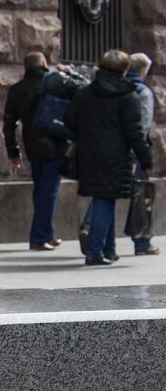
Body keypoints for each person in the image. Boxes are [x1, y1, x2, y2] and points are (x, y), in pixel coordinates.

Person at [65, 49, 153, 266]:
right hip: (115, 156)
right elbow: (135, 133)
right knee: (105, 199)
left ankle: (109, 248)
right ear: (124, 69)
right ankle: (95, 251)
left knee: (104, 198)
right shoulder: (127, 96)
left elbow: (70, 120)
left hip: (88, 153)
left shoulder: (85, 93)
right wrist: (146, 158)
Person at [2, 51, 84, 251]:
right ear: (44, 63)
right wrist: (70, 72)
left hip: (32, 146)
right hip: (54, 143)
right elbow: (84, 87)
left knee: (41, 190)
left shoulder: (16, 89)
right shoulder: (54, 81)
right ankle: (39, 237)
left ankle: (46, 233)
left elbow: (8, 124)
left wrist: (13, 152)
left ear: (26, 67)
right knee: (48, 192)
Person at [125, 52, 158, 256]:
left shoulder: (117, 87)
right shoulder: (143, 92)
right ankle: (142, 241)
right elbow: (142, 127)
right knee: (140, 196)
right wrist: (142, 157)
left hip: (113, 150)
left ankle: (89, 227)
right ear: (142, 71)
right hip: (134, 152)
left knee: (104, 195)